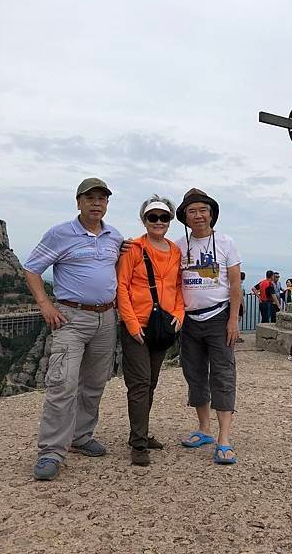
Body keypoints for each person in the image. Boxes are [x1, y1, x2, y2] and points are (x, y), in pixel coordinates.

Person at [23, 178, 124, 481]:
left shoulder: (114, 236)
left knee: (94, 383)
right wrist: (44, 303)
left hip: (106, 319)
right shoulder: (60, 233)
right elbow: (32, 268)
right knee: (63, 383)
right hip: (70, 318)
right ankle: (51, 451)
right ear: (78, 201)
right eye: (90, 197)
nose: (96, 203)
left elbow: (119, 268)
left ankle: (81, 436)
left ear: (107, 204)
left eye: (102, 198)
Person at [116, 195, 184, 466]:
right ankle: (138, 442)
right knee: (140, 382)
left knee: (151, 381)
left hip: (163, 326)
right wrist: (132, 324)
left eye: (163, 217)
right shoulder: (133, 248)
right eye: (152, 217)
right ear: (144, 220)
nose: (158, 222)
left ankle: (141, 432)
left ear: (169, 221)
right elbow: (122, 286)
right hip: (138, 325)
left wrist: (179, 314)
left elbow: (178, 287)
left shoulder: (175, 251)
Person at [175, 188, 241, 465]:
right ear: (185, 217)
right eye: (192, 211)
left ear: (211, 214)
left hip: (218, 316)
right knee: (194, 374)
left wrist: (233, 319)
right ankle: (204, 429)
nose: (198, 215)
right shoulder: (178, 246)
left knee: (223, 374)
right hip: (189, 320)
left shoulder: (226, 243)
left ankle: (224, 438)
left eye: (203, 210)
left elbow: (236, 284)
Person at [236, 271, 246, 343]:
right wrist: (243, 306)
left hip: (233, 304)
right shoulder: (241, 285)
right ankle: (236, 337)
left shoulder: (234, 284)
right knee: (237, 322)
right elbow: (241, 297)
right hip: (239, 305)